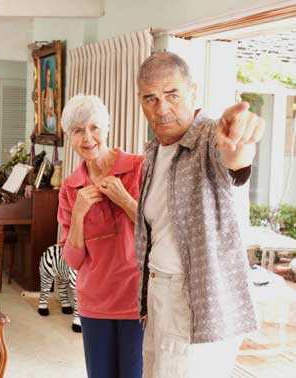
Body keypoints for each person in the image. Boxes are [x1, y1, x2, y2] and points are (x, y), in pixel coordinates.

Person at [135, 52, 265, 378]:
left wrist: (240, 141)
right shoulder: (154, 151)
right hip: (159, 295)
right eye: (150, 98)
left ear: (194, 91)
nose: (161, 108)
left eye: (172, 95)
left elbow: (234, 157)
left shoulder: (208, 136)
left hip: (193, 301)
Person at [58, 94, 144, 378]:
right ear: (70, 137)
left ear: (107, 128)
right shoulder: (70, 188)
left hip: (138, 302)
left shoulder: (139, 168)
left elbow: (161, 234)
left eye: (94, 127)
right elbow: (72, 259)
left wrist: (126, 201)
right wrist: (80, 213)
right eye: (78, 130)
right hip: (95, 304)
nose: (88, 137)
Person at [42, 61, 57, 133]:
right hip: (47, 121)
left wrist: (51, 112)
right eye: (47, 76)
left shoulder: (51, 91)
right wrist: (47, 111)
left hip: (52, 119)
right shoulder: (43, 92)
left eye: (50, 76)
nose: (49, 78)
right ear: (45, 77)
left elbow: (53, 109)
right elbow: (43, 111)